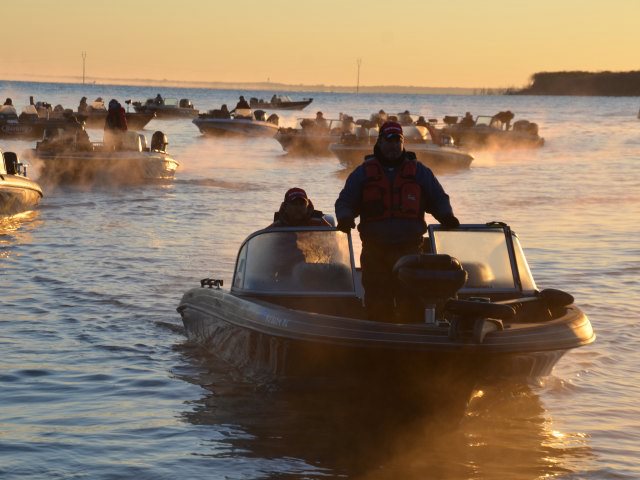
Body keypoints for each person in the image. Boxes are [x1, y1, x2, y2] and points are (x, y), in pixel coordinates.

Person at [335, 121, 459, 322]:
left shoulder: (419, 172)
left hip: (410, 249)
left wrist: (447, 216)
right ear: (380, 142)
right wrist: (344, 217)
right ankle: (379, 333)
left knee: (410, 299)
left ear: (403, 143)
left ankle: (412, 335)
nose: (393, 145)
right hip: (374, 249)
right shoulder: (363, 173)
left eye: (397, 141)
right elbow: (345, 201)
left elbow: (438, 198)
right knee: (377, 298)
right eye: (389, 140)